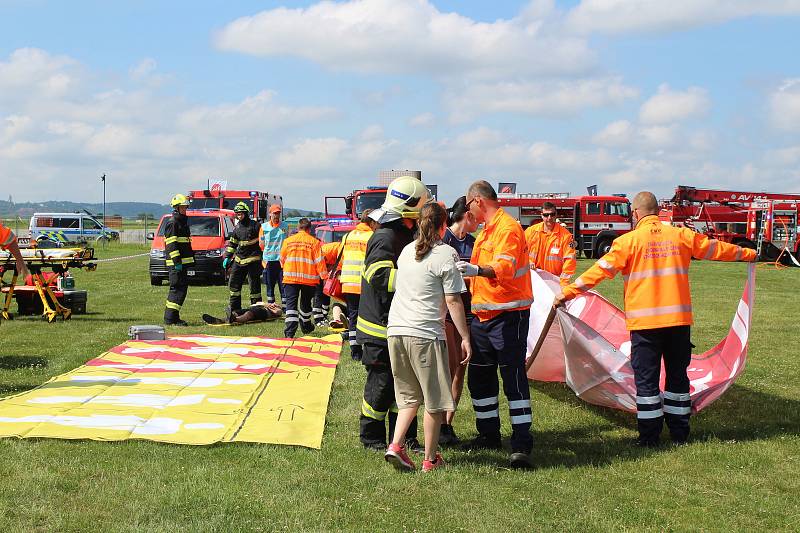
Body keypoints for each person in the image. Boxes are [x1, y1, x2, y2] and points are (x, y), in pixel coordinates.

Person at [555, 191, 757, 447]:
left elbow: (597, 272)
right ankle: (679, 432)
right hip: (678, 323)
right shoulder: (681, 235)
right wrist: (748, 254)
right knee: (677, 377)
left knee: (647, 381)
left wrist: (568, 293)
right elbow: (715, 248)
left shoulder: (627, 242)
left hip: (645, 326)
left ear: (636, 214)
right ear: (658, 211)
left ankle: (649, 437)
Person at [383, 202, 472, 472]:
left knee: (409, 397)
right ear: (444, 224)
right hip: (424, 334)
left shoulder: (408, 251)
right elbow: (454, 301)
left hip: (396, 331)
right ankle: (430, 460)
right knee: (434, 401)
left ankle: (396, 445)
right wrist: (465, 337)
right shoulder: (446, 254)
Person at [457, 180, 534, 469]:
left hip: (508, 316)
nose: (468, 212)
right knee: (479, 379)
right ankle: (488, 435)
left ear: (478, 201)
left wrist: (475, 269)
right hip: (483, 318)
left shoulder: (507, 228)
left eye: (468, 206)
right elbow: (479, 277)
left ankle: (521, 443)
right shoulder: (486, 232)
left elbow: (504, 268)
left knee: (513, 380)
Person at [357, 176, 428, 451]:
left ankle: (405, 438)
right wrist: (415, 277)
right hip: (379, 328)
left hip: (398, 325)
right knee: (382, 384)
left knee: (406, 386)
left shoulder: (403, 235)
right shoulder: (385, 236)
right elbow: (378, 275)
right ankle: (371, 437)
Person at [439, 196, 478, 445]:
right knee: (449, 365)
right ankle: (440, 422)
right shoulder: (444, 241)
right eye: (476, 215)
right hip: (448, 312)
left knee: (461, 367)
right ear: (467, 215)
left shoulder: (475, 242)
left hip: (470, 309)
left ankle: (448, 424)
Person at [340, 209, 377, 361]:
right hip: (364, 282)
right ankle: (368, 346)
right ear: (372, 222)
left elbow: (342, 258)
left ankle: (355, 350)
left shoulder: (347, 236)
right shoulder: (372, 236)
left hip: (348, 281)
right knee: (369, 316)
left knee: (353, 315)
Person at [280, 218, 327, 337]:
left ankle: (290, 333)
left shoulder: (288, 241)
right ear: (309, 229)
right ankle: (306, 326)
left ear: (298, 228)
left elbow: (282, 259)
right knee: (305, 305)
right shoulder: (314, 242)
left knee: (291, 306)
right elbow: (319, 262)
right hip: (309, 280)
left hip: (290, 278)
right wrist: (324, 277)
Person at [524, 201, 576, 286]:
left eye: (552, 214)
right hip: (532, 280)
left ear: (556, 215)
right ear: (541, 215)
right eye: (546, 215)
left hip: (554, 282)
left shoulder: (566, 236)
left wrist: (563, 284)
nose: (549, 217)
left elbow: (570, 261)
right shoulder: (530, 232)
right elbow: (519, 251)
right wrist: (528, 261)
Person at [163, 194, 194, 326]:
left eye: (186, 207)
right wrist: (177, 263)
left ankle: (174, 317)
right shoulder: (173, 223)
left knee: (181, 290)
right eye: (183, 207)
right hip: (177, 264)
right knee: (177, 290)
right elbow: (171, 244)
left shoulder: (181, 222)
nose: (185, 209)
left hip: (182, 263)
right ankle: (170, 319)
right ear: (176, 208)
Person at [260, 204, 287, 311]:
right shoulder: (264, 227)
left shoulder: (285, 226)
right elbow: (261, 244)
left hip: (281, 261)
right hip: (269, 261)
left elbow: (287, 241)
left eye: (278, 213)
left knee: (283, 285)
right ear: (270, 214)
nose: (277, 215)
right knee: (270, 286)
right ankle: (271, 307)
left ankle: (285, 308)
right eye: (275, 213)